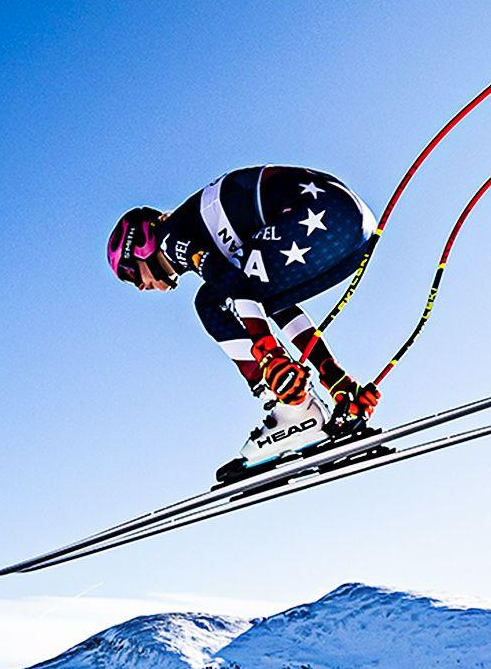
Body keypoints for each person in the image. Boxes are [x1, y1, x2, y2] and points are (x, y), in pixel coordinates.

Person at [107, 165, 382, 479]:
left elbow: (232, 283)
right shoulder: (200, 232)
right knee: (257, 296)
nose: (139, 286)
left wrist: (269, 355)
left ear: (142, 244)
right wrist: (334, 377)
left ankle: (291, 406)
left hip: (318, 215)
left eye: (130, 275)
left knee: (211, 301)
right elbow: (271, 302)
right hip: (350, 224)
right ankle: (331, 393)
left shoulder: (170, 239)